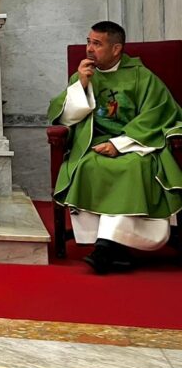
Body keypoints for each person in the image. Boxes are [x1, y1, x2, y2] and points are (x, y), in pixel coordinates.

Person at [48, 21, 182, 273]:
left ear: (116, 48)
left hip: (135, 144)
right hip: (94, 144)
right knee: (87, 165)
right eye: (88, 41)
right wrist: (82, 86)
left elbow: (157, 112)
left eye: (96, 44)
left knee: (134, 167)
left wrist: (119, 144)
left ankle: (109, 247)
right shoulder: (84, 74)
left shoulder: (141, 75)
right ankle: (113, 249)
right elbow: (65, 117)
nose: (89, 49)